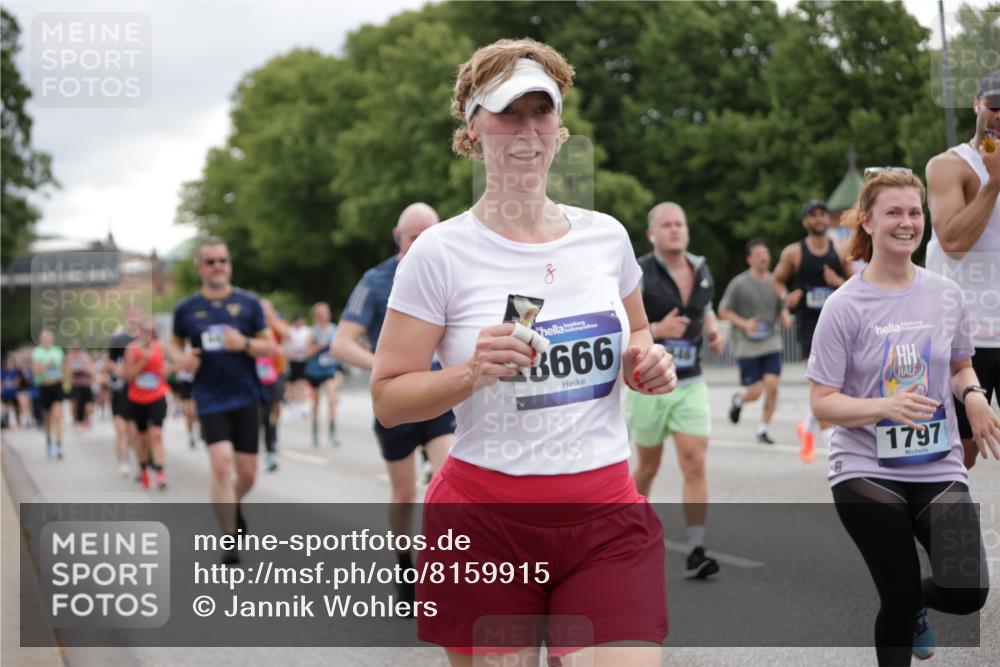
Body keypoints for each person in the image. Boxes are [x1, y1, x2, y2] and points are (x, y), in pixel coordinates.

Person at [371, 38, 676, 665]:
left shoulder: (606, 238)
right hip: (486, 527)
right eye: (509, 112)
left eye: (543, 111)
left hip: (605, 518)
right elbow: (388, 400)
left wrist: (646, 361)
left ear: (561, 131)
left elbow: (639, 331)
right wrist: (471, 373)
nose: (527, 130)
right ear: (474, 130)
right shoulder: (439, 253)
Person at [807, 169, 995, 665]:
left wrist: (972, 394)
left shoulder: (946, 293)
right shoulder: (844, 306)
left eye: (915, 212)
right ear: (867, 221)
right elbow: (822, 401)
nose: (907, 222)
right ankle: (905, 604)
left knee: (968, 590)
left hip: (938, 461)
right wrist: (883, 408)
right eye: (894, 212)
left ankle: (914, 605)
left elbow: (960, 365)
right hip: (866, 469)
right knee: (897, 593)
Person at [332, 202, 455, 605]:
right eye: (413, 236)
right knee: (404, 495)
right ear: (396, 236)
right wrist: (384, 368)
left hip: (440, 397)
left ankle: (445, 572)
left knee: (447, 483)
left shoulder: (452, 271)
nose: (421, 243)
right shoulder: (377, 279)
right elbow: (342, 343)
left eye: (428, 235)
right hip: (398, 402)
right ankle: (404, 563)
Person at [625, 202, 726, 580]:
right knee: (647, 466)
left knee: (694, 460)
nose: (674, 230)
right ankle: (627, 532)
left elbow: (706, 306)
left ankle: (697, 547)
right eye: (666, 225)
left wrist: (713, 331)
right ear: (652, 234)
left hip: (690, 382)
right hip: (649, 383)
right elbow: (622, 321)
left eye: (679, 224)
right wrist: (656, 330)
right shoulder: (638, 272)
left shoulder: (700, 268)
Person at [170, 237, 274, 564]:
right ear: (200, 267)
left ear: (229, 264)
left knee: (247, 473)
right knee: (221, 465)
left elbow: (268, 346)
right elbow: (173, 346)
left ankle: (232, 503)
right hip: (209, 396)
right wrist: (182, 359)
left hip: (245, 394)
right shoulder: (187, 309)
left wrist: (243, 343)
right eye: (211, 261)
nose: (218, 266)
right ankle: (230, 540)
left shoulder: (248, 304)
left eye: (223, 260)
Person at [925, 69, 1000, 470]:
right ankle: (937, 527)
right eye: (995, 106)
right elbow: (953, 242)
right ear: (976, 104)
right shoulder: (948, 166)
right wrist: (994, 181)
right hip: (965, 337)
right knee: (961, 453)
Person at [773, 200, 853, 462]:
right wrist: (787, 298)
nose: (819, 219)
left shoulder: (839, 252)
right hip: (809, 326)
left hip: (837, 324)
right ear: (805, 221)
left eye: (822, 215)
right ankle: (833, 451)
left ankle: (806, 426)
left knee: (836, 385)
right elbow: (777, 281)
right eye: (813, 215)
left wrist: (837, 282)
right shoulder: (794, 253)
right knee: (823, 382)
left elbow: (855, 285)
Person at [718, 239, 792, 445]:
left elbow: (782, 307)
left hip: (771, 341)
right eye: (758, 253)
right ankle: (739, 400)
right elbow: (723, 311)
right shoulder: (739, 284)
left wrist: (785, 315)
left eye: (765, 253)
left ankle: (763, 429)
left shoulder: (776, 283)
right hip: (746, 344)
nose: (763, 257)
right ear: (749, 259)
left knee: (773, 385)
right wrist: (745, 324)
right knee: (756, 391)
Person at [123, 320, 169, 490]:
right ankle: (143, 469)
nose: (148, 335)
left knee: (156, 434)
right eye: (145, 331)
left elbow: (166, 369)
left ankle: (160, 471)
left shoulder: (160, 348)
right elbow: (127, 376)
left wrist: (167, 371)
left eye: (152, 331)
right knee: (141, 439)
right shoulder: (132, 349)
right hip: (137, 399)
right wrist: (142, 361)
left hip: (157, 396)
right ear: (139, 332)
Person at [303, 302, 343, 447]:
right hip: (314, 371)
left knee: (332, 399)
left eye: (326, 312)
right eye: (321, 313)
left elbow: (341, 349)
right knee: (316, 403)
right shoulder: (313, 332)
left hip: (329, 370)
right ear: (316, 315)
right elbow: (306, 353)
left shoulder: (334, 329)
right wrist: (320, 344)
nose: (324, 315)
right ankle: (315, 433)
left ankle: (333, 433)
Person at [258, 299, 288, 471]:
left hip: (277, 372)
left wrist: (272, 321)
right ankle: (267, 444)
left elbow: (287, 334)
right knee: (263, 412)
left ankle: (273, 435)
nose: (264, 312)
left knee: (275, 408)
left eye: (266, 309)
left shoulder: (276, 323)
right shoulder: (254, 325)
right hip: (259, 375)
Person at [107, 321, 138, 477]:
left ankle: (139, 460)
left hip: (135, 393)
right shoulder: (115, 348)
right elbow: (108, 364)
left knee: (133, 432)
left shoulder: (138, 346)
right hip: (118, 393)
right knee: (120, 430)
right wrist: (119, 370)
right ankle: (124, 462)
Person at [32, 330, 65, 460]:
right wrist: (47, 365)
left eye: (49, 338)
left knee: (57, 417)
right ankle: (49, 442)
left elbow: (63, 368)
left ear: (53, 339)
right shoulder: (37, 352)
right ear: (41, 340)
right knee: (47, 420)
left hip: (56, 386)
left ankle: (59, 445)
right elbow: (35, 371)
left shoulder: (58, 351)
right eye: (44, 338)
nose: (47, 340)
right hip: (43, 387)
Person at [284, 314, 312, 414]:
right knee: (290, 383)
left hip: (303, 360)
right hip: (292, 360)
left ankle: (304, 404)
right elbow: (285, 345)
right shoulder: (289, 330)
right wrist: (291, 352)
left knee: (303, 382)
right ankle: (291, 403)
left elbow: (310, 343)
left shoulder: (307, 330)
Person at [65, 343, 95, 429]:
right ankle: (77, 420)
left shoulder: (85, 357)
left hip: (86, 385)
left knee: (89, 405)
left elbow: (91, 371)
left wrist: (83, 368)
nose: (75, 351)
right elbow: (66, 372)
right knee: (75, 404)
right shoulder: (69, 358)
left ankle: (86, 419)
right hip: (75, 386)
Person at [2, 355, 23, 428]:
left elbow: (18, 380)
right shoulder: (3, 372)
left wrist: (16, 383)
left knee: (17, 408)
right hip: (5, 393)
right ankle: (7, 424)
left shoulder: (14, 372)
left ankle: (18, 421)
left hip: (13, 393)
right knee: (6, 409)